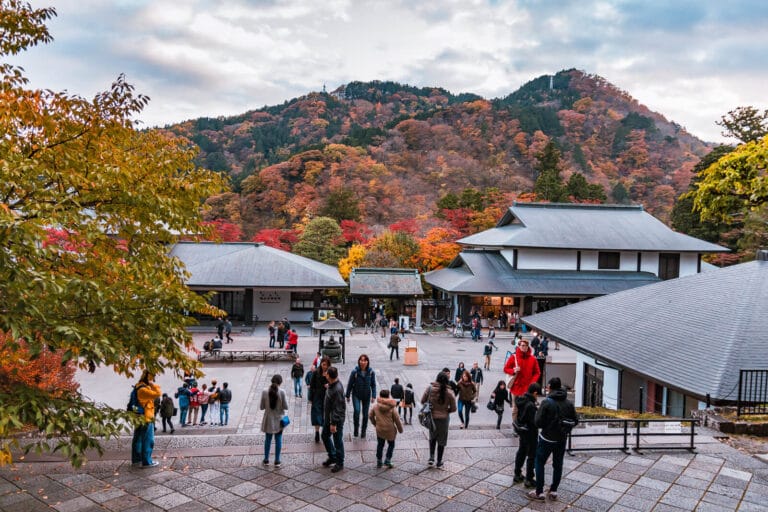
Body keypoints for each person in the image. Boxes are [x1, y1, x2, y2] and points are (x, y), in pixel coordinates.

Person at [529, 377, 578, 502]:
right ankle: (554, 490)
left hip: (547, 438)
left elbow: (538, 422)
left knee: (539, 462)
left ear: (550, 387)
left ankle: (539, 491)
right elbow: (575, 420)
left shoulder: (547, 402)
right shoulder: (568, 403)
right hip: (561, 439)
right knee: (558, 464)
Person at [421, 372, 456, 468]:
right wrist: (446, 411)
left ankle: (431, 458)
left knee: (432, 438)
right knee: (442, 440)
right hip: (444, 420)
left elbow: (422, 401)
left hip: (432, 418)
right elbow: (454, 408)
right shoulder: (449, 392)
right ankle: (439, 461)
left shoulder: (430, 389)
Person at [504, 338, 541, 424]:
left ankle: (525, 425)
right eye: (522, 345)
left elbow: (537, 372)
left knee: (526, 409)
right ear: (519, 346)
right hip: (516, 388)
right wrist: (513, 370)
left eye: (526, 346)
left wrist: (532, 383)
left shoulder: (533, 359)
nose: (524, 347)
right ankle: (516, 426)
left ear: (528, 347)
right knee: (515, 409)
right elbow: (505, 369)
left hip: (527, 389)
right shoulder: (514, 357)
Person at [131, 371, 162, 467]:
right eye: (152, 379)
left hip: (138, 416)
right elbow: (158, 393)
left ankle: (136, 460)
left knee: (138, 438)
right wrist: (153, 384)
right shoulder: (144, 390)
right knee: (148, 440)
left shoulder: (138, 386)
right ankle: (147, 461)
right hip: (146, 417)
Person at [514, 382, 541, 488]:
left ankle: (517, 474)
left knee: (521, 452)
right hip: (530, 433)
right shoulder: (530, 405)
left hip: (523, 432)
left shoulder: (522, 400)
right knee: (531, 455)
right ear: (534, 393)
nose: (537, 396)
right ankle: (529, 478)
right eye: (537, 394)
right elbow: (533, 422)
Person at [369, 389, 403, 468]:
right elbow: (397, 420)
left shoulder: (376, 406)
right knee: (391, 445)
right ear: (388, 396)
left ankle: (379, 461)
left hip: (380, 429)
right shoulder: (392, 408)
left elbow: (370, 416)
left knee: (380, 445)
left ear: (380, 396)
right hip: (390, 430)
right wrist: (400, 429)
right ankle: (387, 460)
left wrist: (375, 423)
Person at [321, 366, 346, 473]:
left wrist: (333, 423)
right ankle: (332, 456)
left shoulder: (337, 389)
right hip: (328, 418)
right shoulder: (332, 385)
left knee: (337, 440)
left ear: (330, 377)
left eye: (327, 374)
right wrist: (329, 386)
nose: (325, 375)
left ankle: (340, 462)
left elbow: (338, 408)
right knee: (325, 436)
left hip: (335, 420)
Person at [346, 354, 377, 438]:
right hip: (356, 394)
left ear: (367, 362)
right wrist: (347, 395)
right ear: (359, 361)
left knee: (365, 414)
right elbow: (350, 383)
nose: (363, 362)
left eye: (365, 360)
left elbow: (373, 385)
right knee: (357, 411)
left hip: (366, 395)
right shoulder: (355, 372)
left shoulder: (371, 372)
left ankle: (363, 430)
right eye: (361, 360)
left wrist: (373, 395)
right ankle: (356, 428)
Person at [260, 374, 289, 466]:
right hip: (279, 420)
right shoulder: (282, 392)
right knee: (278, 439)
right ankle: (277, 460)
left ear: (271, 381)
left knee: (267, 439)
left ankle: (266, 459)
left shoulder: (265, 391)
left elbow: (261, 407)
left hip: (268, 419)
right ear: (280, 382)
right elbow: (286, 407)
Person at [309, 356, 330, 443]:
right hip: (317, 396)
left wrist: (328, 380)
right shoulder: (316, 372)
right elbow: (311, 385)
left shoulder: (330, 372)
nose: (324, 366)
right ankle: (317, 432)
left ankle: (325, 432)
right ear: (321, 364)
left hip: (327, 396)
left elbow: (335, 383)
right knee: (317, 414)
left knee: (326, 415)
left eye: (326, 365)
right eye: (323, 364)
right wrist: (311, 397)